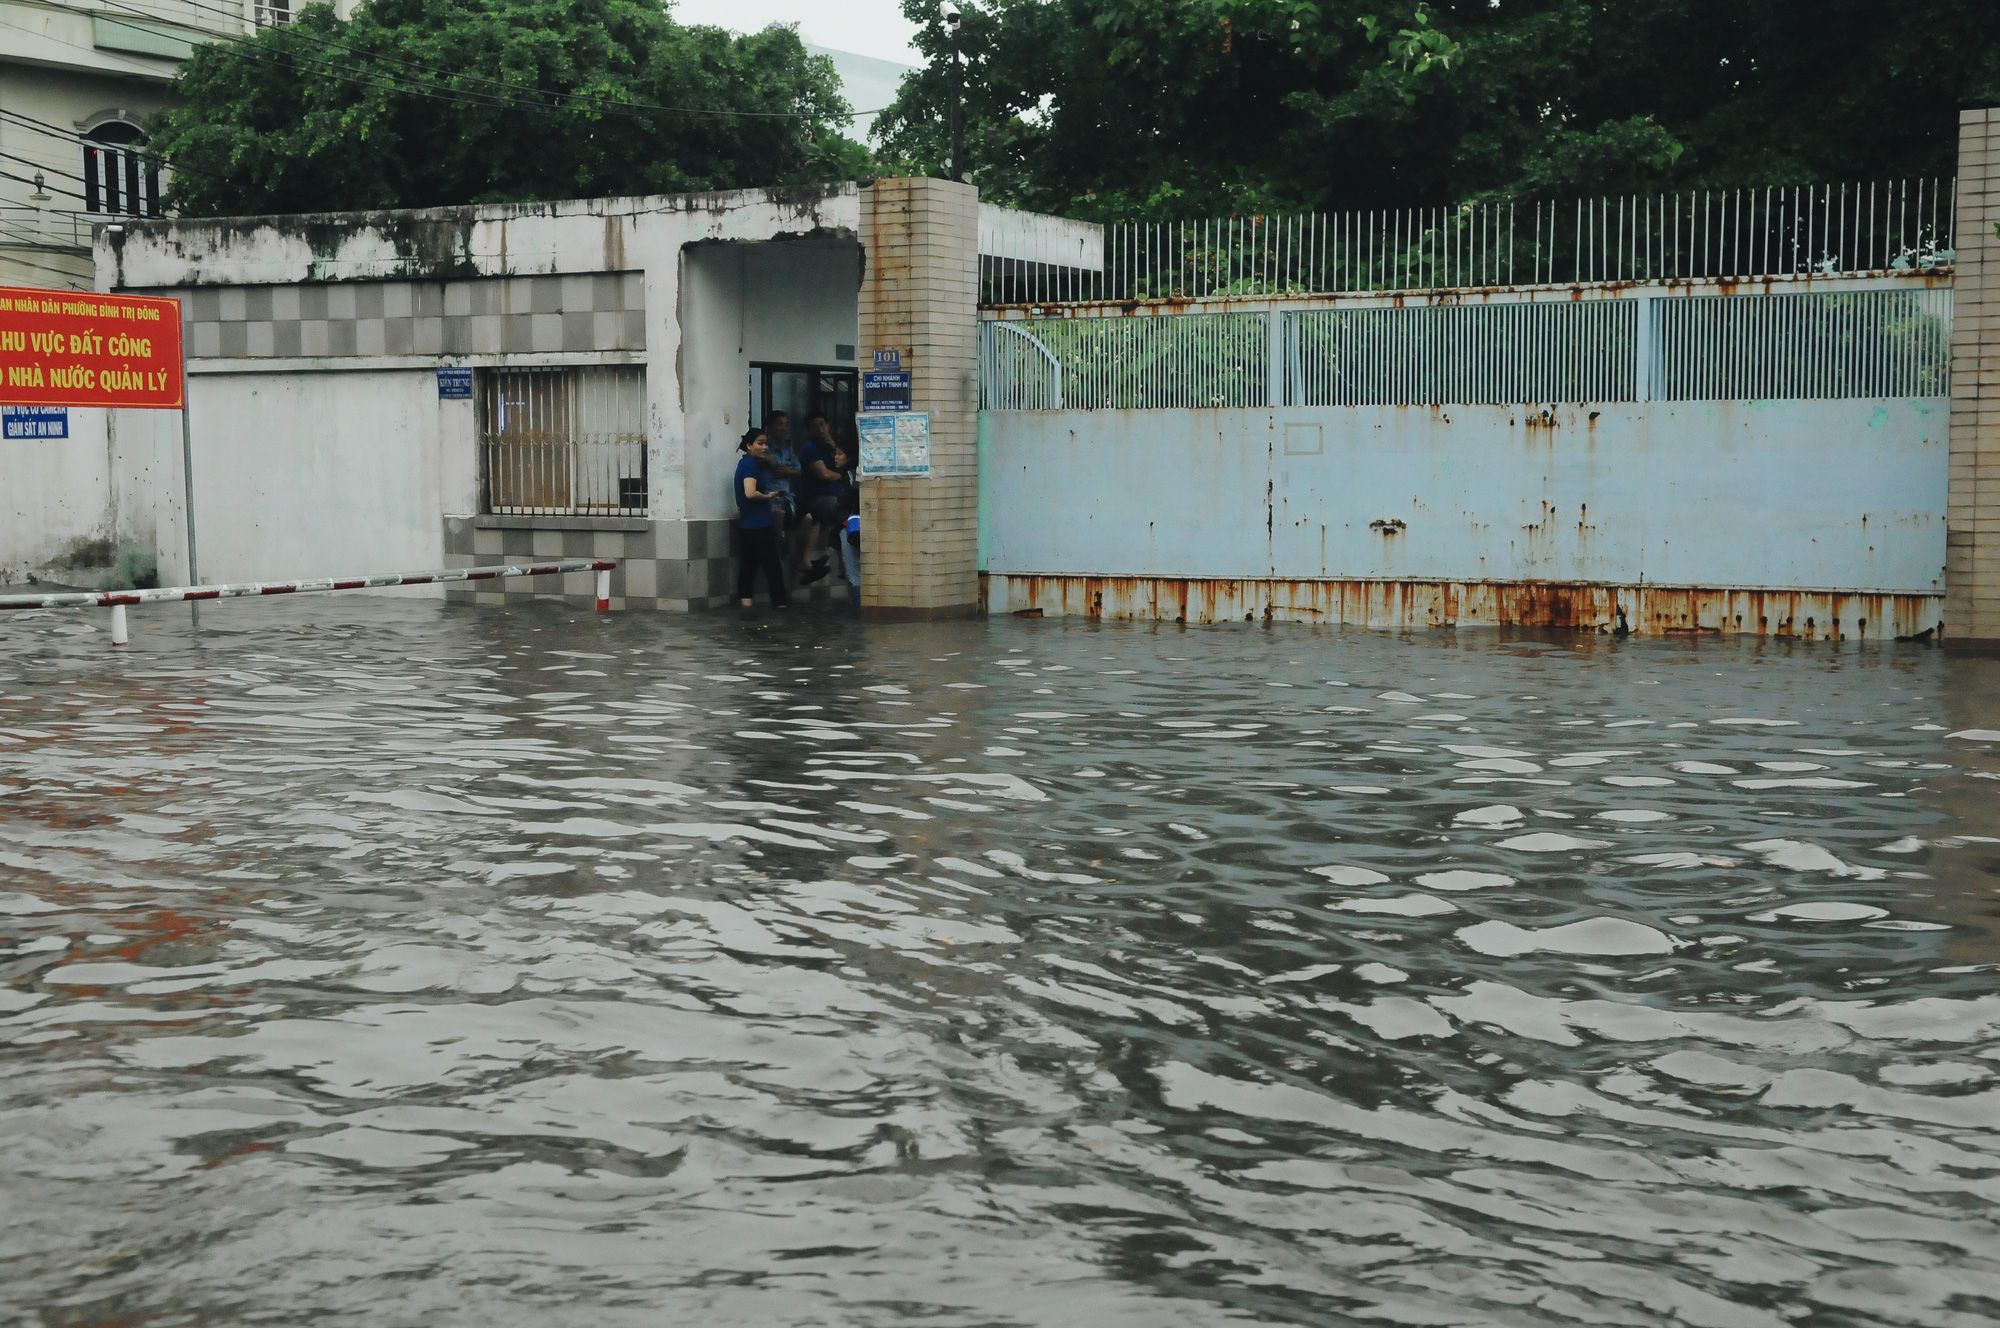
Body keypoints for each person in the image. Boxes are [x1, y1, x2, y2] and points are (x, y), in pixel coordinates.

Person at [733, 428, 788, 608]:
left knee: (748, 567)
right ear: (749, 446)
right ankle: (780, 605)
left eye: (766, 444)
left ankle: (746, 606)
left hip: (748, 524)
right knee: (772, 567)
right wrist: (769, 496)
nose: (764, 447)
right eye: (760, 443)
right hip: (758, 524)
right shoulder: (750, 465)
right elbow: (750, 493)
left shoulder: (747, 463)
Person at [796, 413, 843, 584]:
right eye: (815, 426)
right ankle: (806, 561)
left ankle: (807, 561)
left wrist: (834, 446)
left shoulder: (828, 447)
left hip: (831, 495)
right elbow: (824, 474)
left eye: (823, 424)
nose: (820, 429)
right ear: (809, 430)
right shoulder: (810, 448)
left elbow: (842, 461)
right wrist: (840, 475)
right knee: (816, 518)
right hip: (817, 496)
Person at [763, 411, 801, 563]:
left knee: (806, 518)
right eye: (780, 424)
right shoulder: (765, 446)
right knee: (777, 521)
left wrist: (787, 471)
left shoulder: (787, 448)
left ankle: (796, 559)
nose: (783, 428)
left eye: (786, 425)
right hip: (770, 496)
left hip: (787, 497)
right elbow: (752, 454)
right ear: (770, 427)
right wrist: (768, 459)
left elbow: (798, 469)